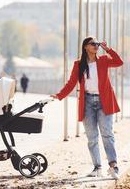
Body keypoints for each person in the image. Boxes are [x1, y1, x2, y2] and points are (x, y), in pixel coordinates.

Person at [51, 37, 123, 179]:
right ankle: (97, 167)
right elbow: (71, 83)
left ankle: (114, 166)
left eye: (97, 44)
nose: (96, 46)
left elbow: (119, 62)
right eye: (93, 44)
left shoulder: (103, 60)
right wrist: (59, 95)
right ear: (85, 47)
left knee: (107, 134)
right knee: (92, 137)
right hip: (88, 102)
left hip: (104, 101)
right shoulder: (78, 65)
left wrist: (108, 49)